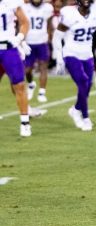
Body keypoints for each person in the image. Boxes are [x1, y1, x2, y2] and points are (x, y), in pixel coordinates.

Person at [52, 0, 96, 131]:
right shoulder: (69, 14)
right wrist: (59, 57)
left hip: (87, 54)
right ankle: (85, 117)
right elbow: (57, 37)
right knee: (83, 82)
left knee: (88, 84)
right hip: (71, 53)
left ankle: (76, 109)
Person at [0, 0, 32, 137]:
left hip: (8, 49)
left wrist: (19, 39)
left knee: (19, 85)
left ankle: (25, 123)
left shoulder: (11, 1)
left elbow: (25, 22)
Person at [23, 0, 54, 103]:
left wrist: (50, 38)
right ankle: (31, 84)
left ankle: (42, 92)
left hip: (42, 42)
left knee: (43, 67)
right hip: (29, 42)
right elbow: (21, 24)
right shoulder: (24, 7)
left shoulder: (48, 7)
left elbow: (49, 24)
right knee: (27, 70)